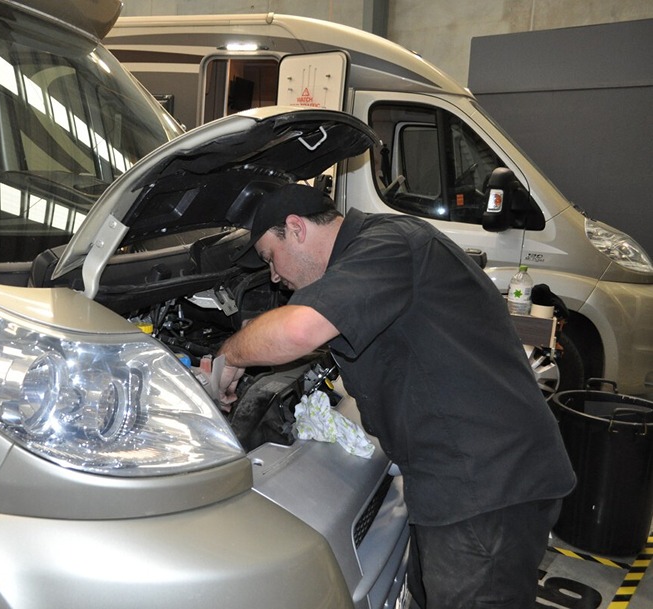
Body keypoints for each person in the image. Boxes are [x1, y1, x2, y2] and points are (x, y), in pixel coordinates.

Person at [217, 182, 576, 609]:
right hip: (457, 481)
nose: (274, 276)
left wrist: (230, 354)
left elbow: (298, 330)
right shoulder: (377, 251)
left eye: (268, 257)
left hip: (488, 488)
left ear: (295, 229)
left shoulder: (389, 245)